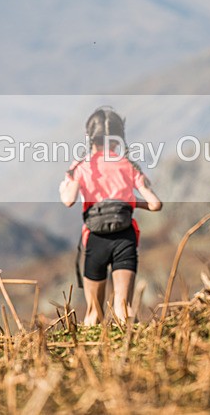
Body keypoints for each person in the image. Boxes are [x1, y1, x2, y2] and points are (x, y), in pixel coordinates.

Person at [59, 106, 162, 325]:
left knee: (93, 313)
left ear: (89, 136)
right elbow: (155, 204)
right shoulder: (128, 165)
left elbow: (68, 200)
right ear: (118, 137)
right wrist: (129, 201)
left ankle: (89, 347)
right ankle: (130, 345)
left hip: (95, 239)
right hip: (125, 238)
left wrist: (65, 187)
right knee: (124, 309)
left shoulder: (80, 167)